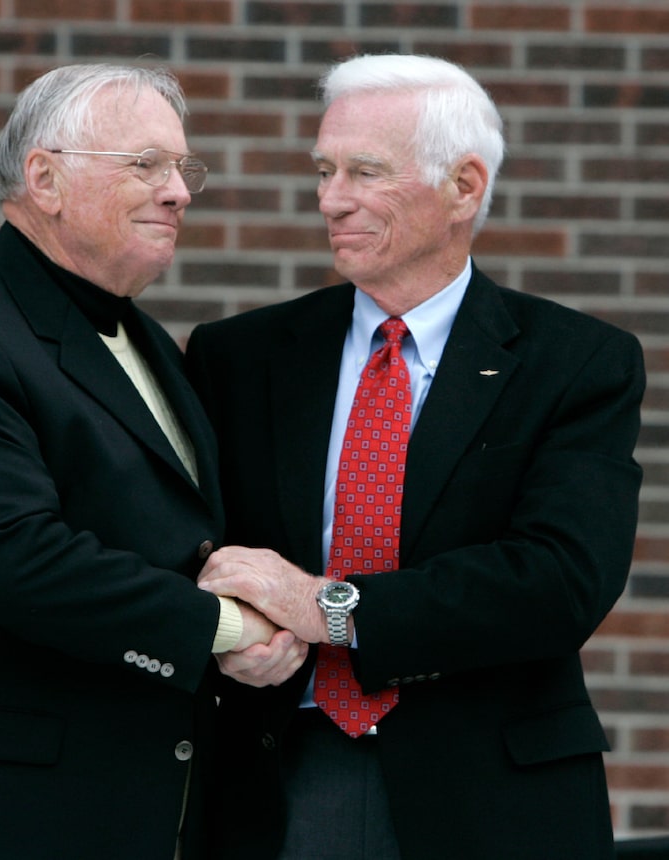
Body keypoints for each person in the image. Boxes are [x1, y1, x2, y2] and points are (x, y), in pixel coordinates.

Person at [186, 53, 645, 860]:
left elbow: (561, 580)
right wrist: (237, 630)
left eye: (366, 172)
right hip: (279, 776)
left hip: (491, 792)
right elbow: (195, 542)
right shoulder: (240, 356)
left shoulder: (576, 362)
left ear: (465, 187)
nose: (332, 200)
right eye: (324, 170)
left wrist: (330, 607)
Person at [0, 63, 304, 860]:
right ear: (45, 179)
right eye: (146, 165)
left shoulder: (151, 344)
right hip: (4, 819)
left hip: (151, 811)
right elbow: (11, 556)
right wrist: (224, 625)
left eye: (182, 167)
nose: (179, 192)